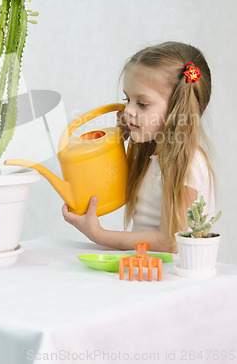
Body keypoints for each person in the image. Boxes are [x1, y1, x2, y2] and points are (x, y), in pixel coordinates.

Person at [62, 41, 216, 253]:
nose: (129, 111)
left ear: (177, 110)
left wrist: (98, 234)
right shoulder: (153, 155)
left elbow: (171, 241)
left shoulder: (188, 164)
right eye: (127, 99)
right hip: (150, 271)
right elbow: (116, 189)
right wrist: (119, 145)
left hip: (173, 277)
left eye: (142, 104)